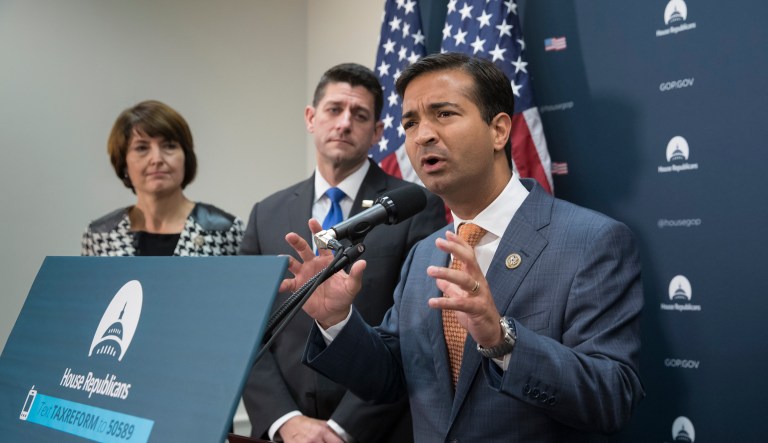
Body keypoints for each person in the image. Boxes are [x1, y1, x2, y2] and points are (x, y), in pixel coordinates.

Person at [280, 53, 645, 442]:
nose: (422, 135)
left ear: (499, 130)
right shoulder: (425, 254)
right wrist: (337, 320)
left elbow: (613, 397)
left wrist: (501, 339)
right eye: (411, 122)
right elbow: (390, 380)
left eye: (444, 114)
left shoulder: (592, 241)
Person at [239, 63, 446, 442]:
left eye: (360, 114)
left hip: (374, 430)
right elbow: (242, 326)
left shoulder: (414, 208)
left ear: (377, 132)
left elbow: (417, 335)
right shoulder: (265, 214)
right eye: (334, 109)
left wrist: (340, 430)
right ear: (311, 118)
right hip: (282, 431)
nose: (345, 123)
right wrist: (285, 419)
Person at [82, 100, 243, 256]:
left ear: (186, 158)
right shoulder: (100, 234)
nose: (156, 159)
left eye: (169, 146)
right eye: (142, 148)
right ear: (123, 163)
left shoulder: (224, 230)